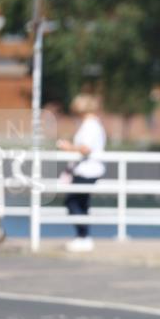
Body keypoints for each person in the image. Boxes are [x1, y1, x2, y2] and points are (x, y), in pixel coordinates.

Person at [57, 94, 106, 252]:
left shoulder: (90, 125)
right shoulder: (92, 124)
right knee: (81, 203)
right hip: (85, 169)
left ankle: (83, 236)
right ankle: (83, 237)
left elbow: (86, 148)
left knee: (73, 202)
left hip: (87, 170)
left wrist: (68, 147)